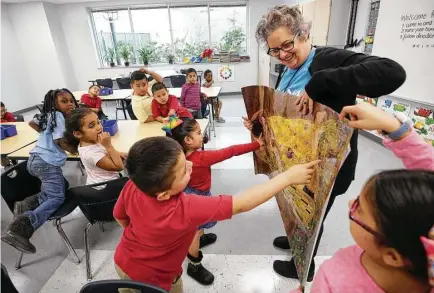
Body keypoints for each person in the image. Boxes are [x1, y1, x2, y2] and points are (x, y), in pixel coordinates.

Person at [254, 4, 406, 280]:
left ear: (303, 34)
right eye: (275, 50)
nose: (283, 55)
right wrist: (260, 122)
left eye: (287, 45)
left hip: (327, 168)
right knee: (298, 210)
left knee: (314, 217)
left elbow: (392, 72)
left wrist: (321, 83)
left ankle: (303, 265)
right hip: (297, 162)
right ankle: (294, 239)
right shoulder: (288, 69)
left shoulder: (326, 60)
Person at [113, 135, 319, 293]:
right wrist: (287, 177)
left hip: (123, 261)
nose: (191, 164)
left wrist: (146, 238)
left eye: (185, 160)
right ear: (164, 194)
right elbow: (240, 204)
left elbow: (120, 217)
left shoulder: (132, 185)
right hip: (155, 280)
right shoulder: (186, 207)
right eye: (184, 171)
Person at [291, 103, 434, 293]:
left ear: (392, 256)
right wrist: (395, 129)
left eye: (358, 209)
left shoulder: (334, 284)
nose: (351, 203)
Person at [169, 117, 263, 285]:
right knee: (194, 231)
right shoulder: (200, 158)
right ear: (188, 140)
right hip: (195, 197)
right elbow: (231, 151)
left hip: (192, 193)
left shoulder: (180, 155)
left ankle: (200, 238)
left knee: (199, 225)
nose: (202, 134)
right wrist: (257, 144)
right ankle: (194, 265)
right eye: (198, 133)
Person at [1, 89, 78, 254]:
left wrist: (45, 134)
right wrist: (74, 150)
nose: (70, 103)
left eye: (71, 100)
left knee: (61, 185)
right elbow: (60, 141)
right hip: (46, 163)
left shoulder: (49, 115)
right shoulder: (57, 116)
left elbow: (31, 123)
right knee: (57, 197)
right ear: (54, 105)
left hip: (35, 160)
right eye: (64, 101)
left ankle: (26, 205)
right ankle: (20, 229)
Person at [63, 108, 126, 185]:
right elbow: (119, 167)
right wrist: (109, 146)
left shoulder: (92, 140)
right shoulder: (91, 153)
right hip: (106, 186)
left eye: (98, 122)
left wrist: (117, 153)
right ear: (78, 134)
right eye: (91, 126)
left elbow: (104, 151)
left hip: (109, 180)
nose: (99, 127)